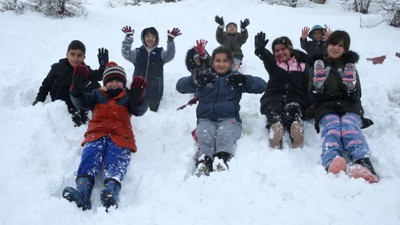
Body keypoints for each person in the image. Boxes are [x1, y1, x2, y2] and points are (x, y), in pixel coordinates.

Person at [62, 62, 148, 211]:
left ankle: (111, 190)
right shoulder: (97, 95)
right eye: (110, 81)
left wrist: (138, 99)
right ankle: (83, 191)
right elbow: (81, 102)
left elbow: (139, 110)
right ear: (105, 83)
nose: (114, 84)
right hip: (97, 134)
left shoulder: (127, 98)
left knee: (117, 158)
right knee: (90, 155)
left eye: (118, 81)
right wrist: (76, 91)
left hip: (121, 137)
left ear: (123, 83)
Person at [176, 46, 267, 177]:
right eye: (218, 60)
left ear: (230, 63)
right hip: (205, 120)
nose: (221, 64)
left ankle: (221, 160)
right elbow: (180, 86)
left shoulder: (235, 78)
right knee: (205, 139)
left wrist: (244, 80)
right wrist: (196, 80)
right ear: (212, 62)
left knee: (224, 137)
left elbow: (262, 85)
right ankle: (204, 162)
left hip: (229, 120)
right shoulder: (205, 77)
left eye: (225, 61)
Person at [309, 30, 379, 183]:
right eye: (333, 44)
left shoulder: (349, 67)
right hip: (326, 108)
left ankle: (363, 163)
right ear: (327, 45)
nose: (336, 48)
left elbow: (357, 95)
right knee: (332, 128)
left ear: (345, 49)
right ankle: (331, 160)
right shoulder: (319, 65)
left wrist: (350, 88)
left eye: (341, 45)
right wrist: (317, 87)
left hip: (350, 107)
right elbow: (313, 97)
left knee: (349, 127)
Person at [254, 32, 310, 149]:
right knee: (274, 112)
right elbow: (266, 57)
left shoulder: (302, 66)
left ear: (290, 49)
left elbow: (306, 86)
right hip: (273, 97)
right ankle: (276, 127)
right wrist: (261, 50)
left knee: (294, 110)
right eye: (277, 50)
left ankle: (295, 127)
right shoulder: (274, 64)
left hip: (295, 97)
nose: (280, 52)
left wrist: (309, 104)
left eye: (283, 49)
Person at [33, 40, 109, 127]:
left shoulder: (83, 70)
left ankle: (89, 113)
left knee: (94, 85)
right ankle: (73, 117)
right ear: (67, 54)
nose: (75, 58)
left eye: (79, 55)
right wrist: (38, 102)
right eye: (72, 54)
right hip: (61, 105)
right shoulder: (58, 68)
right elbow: (46, 85)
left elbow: (98, 76)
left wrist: (103, 67)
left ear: (84, 58)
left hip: (77, 103)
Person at [121, 25, 181, 112]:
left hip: (154, 92)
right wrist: (128, 38)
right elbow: (126, 53)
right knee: (135, 113)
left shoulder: (160, 53)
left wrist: (170, 41)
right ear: (143, 38)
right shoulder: (137, 53)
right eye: (147, 36)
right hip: (137, 90)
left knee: (151, 116)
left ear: (156, 39)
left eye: (153, 36)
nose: (150, 39)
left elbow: (170, 55)